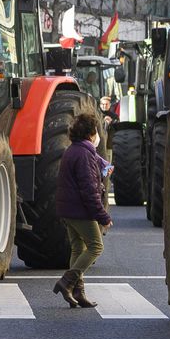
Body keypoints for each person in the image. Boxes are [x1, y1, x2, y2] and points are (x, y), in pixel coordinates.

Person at [52, 112, 113, 308]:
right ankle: (66, 282)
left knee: (78, 248)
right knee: (96, 246)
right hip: (80, 211)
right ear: (91, 133)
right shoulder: (86, 155)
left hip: (68, 209)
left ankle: (78, 293)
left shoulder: (73, 150)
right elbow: (90, 190)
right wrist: (103, 216)